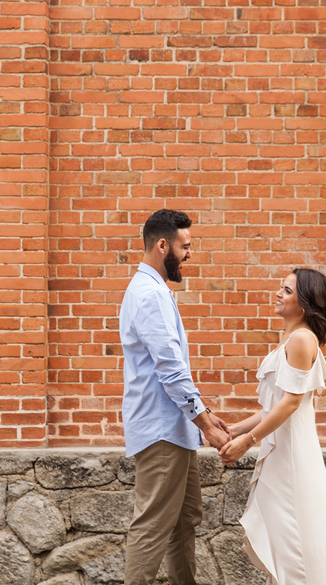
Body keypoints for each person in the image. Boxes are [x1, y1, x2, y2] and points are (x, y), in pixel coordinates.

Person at [218, 268, 326, 585]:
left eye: (287, 290)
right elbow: (273, 406)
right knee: (288, 539)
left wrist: (247, 441)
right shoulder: (294, 339)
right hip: (283, 451)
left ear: (306, 302)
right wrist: (233, 430)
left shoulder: (301, 339)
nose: (278, 293)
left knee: (296, 538)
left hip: (291, 455)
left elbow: (291, 403)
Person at [120, 209, 230, 585]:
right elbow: (170, 370)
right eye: (185, 246)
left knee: (184, 520)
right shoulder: (151, 295)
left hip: (174, 428)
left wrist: (205, 416)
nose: (189, 255)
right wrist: (206, 425)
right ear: (163, 244)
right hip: (162, 430)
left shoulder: (153, 291)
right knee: (153, 525)